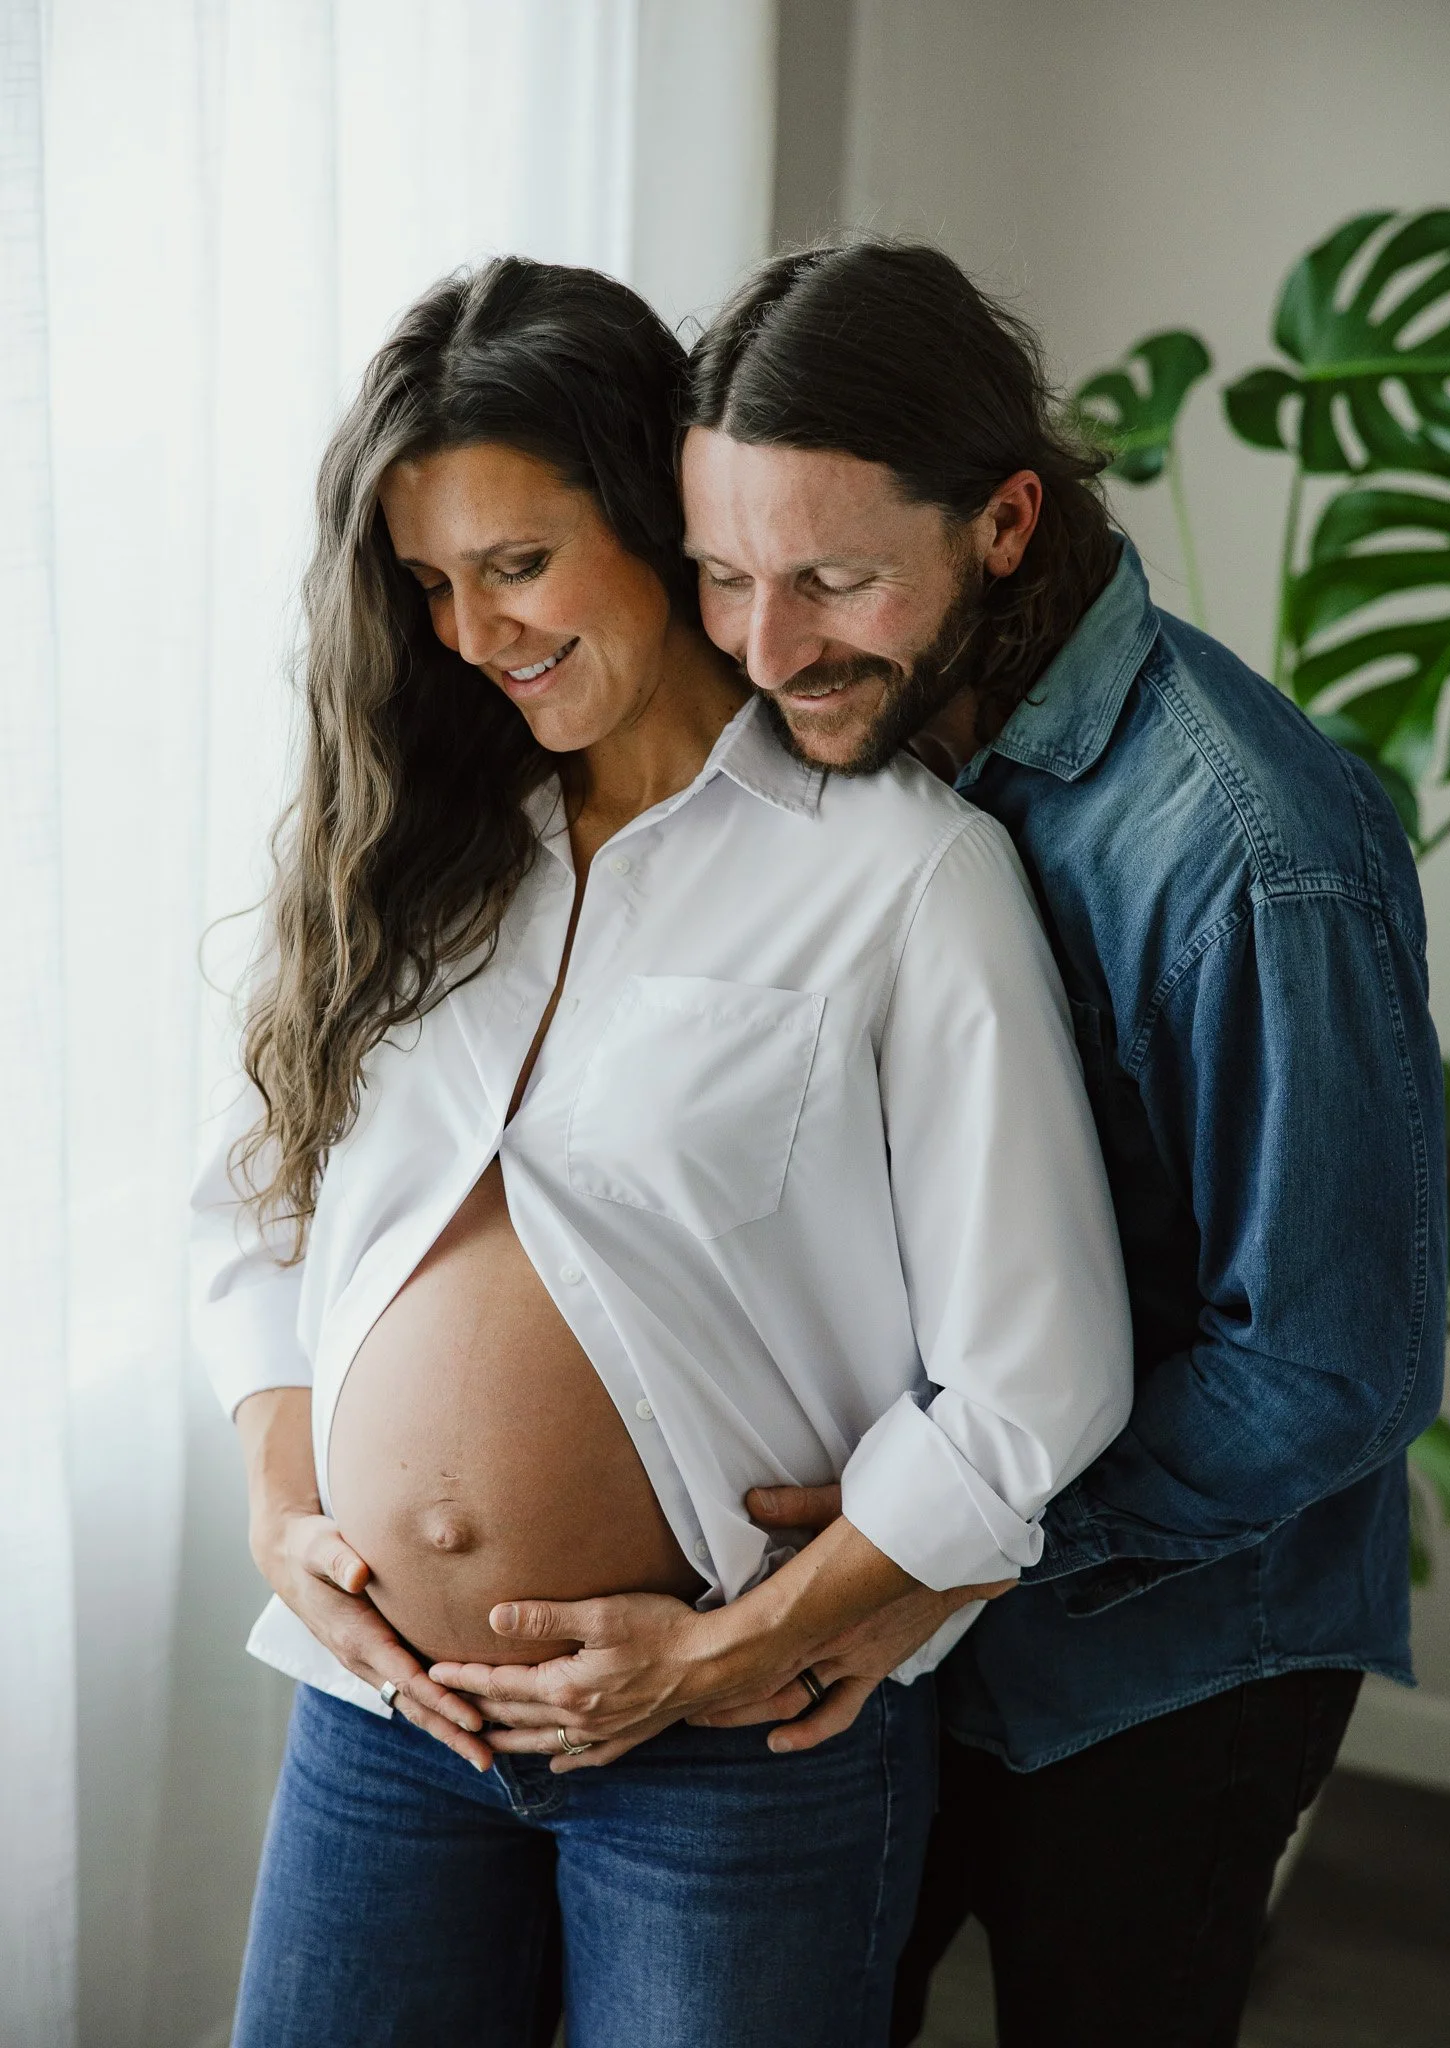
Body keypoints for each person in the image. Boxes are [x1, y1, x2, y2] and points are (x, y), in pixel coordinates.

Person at [456, 242, 1448, 2048]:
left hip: (1161, 1666)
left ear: (1002, 522)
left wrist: (937, 1541)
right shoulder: (848, 727)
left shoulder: (1243, 854)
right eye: (724, 575)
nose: (765, 650)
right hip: (884, 1627)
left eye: (834, 578)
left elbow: (1329, 1365)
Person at [190, 255, 1131, 2048]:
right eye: (429, 584)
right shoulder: (408, 842)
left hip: (729, 1753)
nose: (474, 633)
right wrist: (280, 1502)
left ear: (654, 506)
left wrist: (742, 1642)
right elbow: (250, 1210)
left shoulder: (899, 876)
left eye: (519, 563)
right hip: (385, 1720)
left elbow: (1040, 1372)